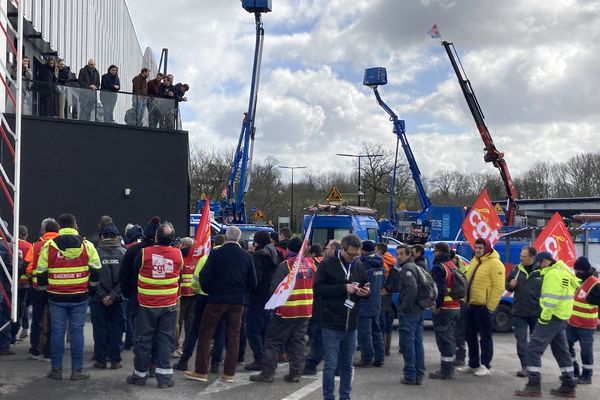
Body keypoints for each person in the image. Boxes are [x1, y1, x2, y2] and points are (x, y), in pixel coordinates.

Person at [184, 226, 257, 383]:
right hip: (237, 302)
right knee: (233, 336)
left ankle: (201, 371)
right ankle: (229, 373)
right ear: (238, 238)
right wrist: (242, 293)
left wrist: (210, 290)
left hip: (217, 299)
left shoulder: (216, 253)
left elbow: (204, 275)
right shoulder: (246, 256)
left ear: (225, 237)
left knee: (206, 334)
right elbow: (253, 282)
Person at [36, 213, 101, 380]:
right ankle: (76, 371)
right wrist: (91, 289)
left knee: (57, 332)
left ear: (59, 226)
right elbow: (96, 270)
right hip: (79, 296)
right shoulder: (87, 245)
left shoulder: (49, 245)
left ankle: (56, 370)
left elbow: (41, 272)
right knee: (77, 332)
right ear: (75, 225)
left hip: (56, 296)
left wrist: (44, 291)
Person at [250, 237, 316, 383]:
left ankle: (267, 373)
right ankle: (295, 374)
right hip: (305, 310)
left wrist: (271, 306)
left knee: (272, 341)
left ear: (289, 250)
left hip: (287, 310)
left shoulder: (286, 265)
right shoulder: (311, 265)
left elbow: (275, 288)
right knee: (297, 342)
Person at [514, 252, 580, 398]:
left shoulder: (552, 275)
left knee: (533, 349)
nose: (539, 267)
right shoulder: (564, 272)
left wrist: (543, 319)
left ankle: (533, 385)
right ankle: (569, 385)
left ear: (545, 261)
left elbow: (550, 301)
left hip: (551, 317)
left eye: (539, 264)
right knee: (561, 351)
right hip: (561, 317)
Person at [126, 222, 183, 389]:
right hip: (169, 305)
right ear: (172, 239)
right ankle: (164, 378)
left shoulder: (145, 253)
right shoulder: (178, 254)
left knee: (143, 340)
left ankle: (140, 376)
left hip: (147, 304)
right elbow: (179, 273)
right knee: (165, 340)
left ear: (157, 237)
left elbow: (135, 271)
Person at [314, 234, 370, 400]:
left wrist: (365, 292)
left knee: (348, 365)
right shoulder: (327, 265)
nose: (354, 257)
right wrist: (342, 288)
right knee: (331, 365)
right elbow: (318, 289)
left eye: (357, 254)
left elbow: (365, 284)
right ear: (342, 249)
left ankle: (345, 397)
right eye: (351, 254)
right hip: (331, 322)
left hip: (351, 324)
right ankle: (328, 397)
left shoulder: (358, 266)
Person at [173, 235, 226, 371]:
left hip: (200, 296)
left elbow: (196, 280)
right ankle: (215, 363)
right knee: (219, 332)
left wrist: (198, 291)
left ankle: (185, 360)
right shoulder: (229, 259)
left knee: (196, 330)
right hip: (221, 298)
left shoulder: (204, 259)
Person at [457, 238, 504, 377]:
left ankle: (485, 365)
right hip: (470, 305)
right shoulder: (475, 261)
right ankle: (473, 364)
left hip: (483, 307)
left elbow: (498, 287)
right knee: (469, 335)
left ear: (487, 249)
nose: (477, 250)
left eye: (480, 248)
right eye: (476, 247)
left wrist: (489, 307)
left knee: (485, 337)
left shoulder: (495, 264)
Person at [119, 216, 161, 350]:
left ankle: (132, 340)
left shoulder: (133, 250)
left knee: (132, 316)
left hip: (135, 290)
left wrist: (125, 291)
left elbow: (124, 273)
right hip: (159, 294)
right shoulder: (168, 252)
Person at [302, 239, 341, 376]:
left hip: (325, 308)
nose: (325, 250)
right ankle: (336, 366)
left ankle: (311, 365)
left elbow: (321, 288)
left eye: (328, 248)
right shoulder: (329, 265)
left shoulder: (328, 266)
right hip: (323, 307)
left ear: (334, 250)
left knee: (320, 338)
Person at [90, 223, 126, 370]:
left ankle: (101, 360)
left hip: (98, 299)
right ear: (117, 236)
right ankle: (115, 360)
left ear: (102, 236)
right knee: (116, 329)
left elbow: (91, 277)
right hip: (117, 299)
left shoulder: (95, 252)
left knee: (100, 329)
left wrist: (103, 295)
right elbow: (125, 278)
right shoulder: (123, 253)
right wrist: (113, 295)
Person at [245, 230, 281, 371]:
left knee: (253, 330)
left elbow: (255, 278)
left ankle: (260, 359)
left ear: (257, 242)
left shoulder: (258, 256)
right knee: (266, 330)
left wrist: (249, 291)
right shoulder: (274, 254)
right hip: (270, 296)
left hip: (257, 297)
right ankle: (268, 357)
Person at [24, 218, 60, 360]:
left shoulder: (36, 246)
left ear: (44, 230)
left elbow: (27, 267)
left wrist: (34, 275)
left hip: (37, 288)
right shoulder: (62, 245)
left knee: (37, 318)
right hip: (56, 288)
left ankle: (35, 349)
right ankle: (50, 352)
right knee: (54, 320)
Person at [505, 246, 541, 377]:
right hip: (519, 311)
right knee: (521, 340)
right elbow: (507, 285)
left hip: (536, 312)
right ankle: (525, 366)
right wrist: (510, 285)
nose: (521, 258)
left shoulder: (541, 271)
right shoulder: (516, 269)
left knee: (535, 341)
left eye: (524, 257)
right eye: (521, 256)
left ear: (532, 257)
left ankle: (534, 366)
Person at [428, 242, 461, 380]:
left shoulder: (439, 268)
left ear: (439, 252)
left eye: (435, 251)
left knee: (444, 339)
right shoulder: (452, 265)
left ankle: (446, 371)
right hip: (456, 307)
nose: (434, 253)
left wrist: (437, 305)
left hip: (445, 309)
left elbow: (440, 289)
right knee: (451, 338)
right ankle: (450, 366)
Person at [396, 244, 426, 385]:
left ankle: (410, 374)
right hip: (418, 310)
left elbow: (412, 289)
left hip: (410, 311)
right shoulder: (415, 267)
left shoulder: (407, 268)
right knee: (417, 343)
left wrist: (403, 307)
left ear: (409, 254)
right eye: (398, 254)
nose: (399, 256)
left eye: (402, 253)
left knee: (408, 343)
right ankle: (419, 373)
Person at [567, 256, 600, 384]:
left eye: (577, 271)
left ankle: (587, 376)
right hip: (572, 323)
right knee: (566, 346)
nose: (576, 273)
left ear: (583, 270)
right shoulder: (579, 281)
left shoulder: (595, 284)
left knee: (586, 352)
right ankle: (573, 370)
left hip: (587, 325)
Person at [355, 240, 385, 368]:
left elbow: (358, 283)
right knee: (376, 331)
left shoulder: (363, 265)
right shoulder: (380, 264)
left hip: (364, 302)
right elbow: (383, 283)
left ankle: (366, 358)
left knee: (364, 333)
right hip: (376, 302)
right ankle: (380, 357)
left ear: (363, 250)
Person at [375, 242, 396, 357]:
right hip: (389, 293)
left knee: (381, 321)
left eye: (376, 249)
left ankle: (382, 350)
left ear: (379, 250)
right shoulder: (390, 260)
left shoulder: (382, 261)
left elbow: (381, 278)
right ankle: (386, 349)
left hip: (382, 292)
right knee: (387, 321)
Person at [12, 225, 32, 342]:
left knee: (15, 306)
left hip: (14, 281)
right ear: (26, 235)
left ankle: (15, 330)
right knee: (25, 305)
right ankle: (25, 327)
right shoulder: (29, 246)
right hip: (27, 282)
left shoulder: (12, 245)